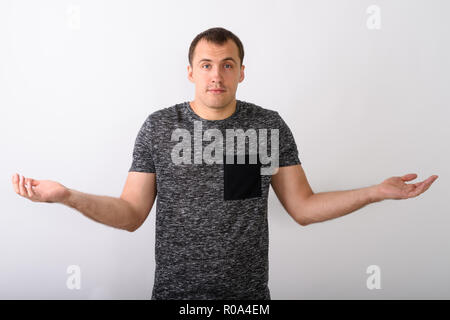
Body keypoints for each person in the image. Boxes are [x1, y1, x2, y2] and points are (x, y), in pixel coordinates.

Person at [12, 27, 438, 300]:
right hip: (176, 298)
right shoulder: (159, 127)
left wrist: (375, 192)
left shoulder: (267, 126)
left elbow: (303, 208)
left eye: (227, 65)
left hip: (248, 302)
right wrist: (66, 196)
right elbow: (130, 214)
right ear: (191, 71)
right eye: (207, 65)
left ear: (241, 72)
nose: (217, 75)